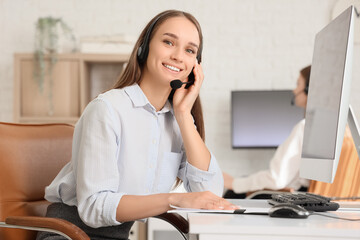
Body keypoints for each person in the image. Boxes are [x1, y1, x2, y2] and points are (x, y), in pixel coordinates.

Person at [37, 10, 236, 240]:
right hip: (69, 234)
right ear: (144, 47)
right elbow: (94, 207)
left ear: (196, 65)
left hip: (118, 234)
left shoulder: (177, 119)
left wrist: (183, 115)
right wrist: (173, 199)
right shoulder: (107, 109)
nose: (178, 56)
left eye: (190, 50)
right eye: (168, 42)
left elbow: (209, 194)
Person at [223, 65, 311, 199]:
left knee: (231, 193)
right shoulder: (327, 130)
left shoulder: (304, 127)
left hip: (295, 197)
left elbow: (277, 179)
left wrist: (234, 183)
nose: (294, 90)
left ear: (308, 89)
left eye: (298, 84)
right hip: (310, 197)